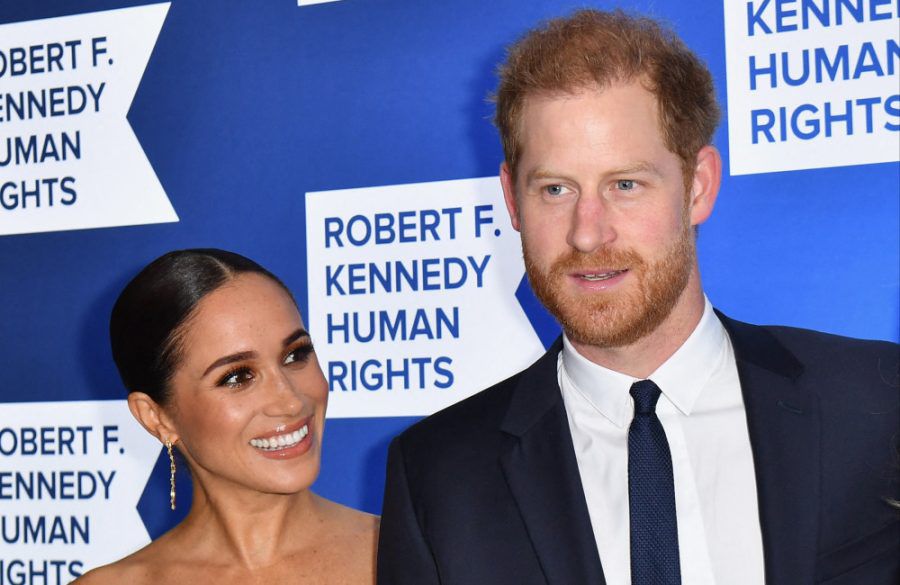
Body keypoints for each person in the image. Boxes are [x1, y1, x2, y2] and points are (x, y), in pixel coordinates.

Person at [377, 9, 899, 585]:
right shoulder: (438, 474)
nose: (586, 232)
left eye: (625, 185)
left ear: (698, 186)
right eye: (555, 189)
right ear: (511, 198)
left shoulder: (877, 401)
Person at [77, 249, 378, 584]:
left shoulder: (413, 554)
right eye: (237, 376)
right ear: (156, 418)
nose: (291, 401)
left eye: (295, 355)